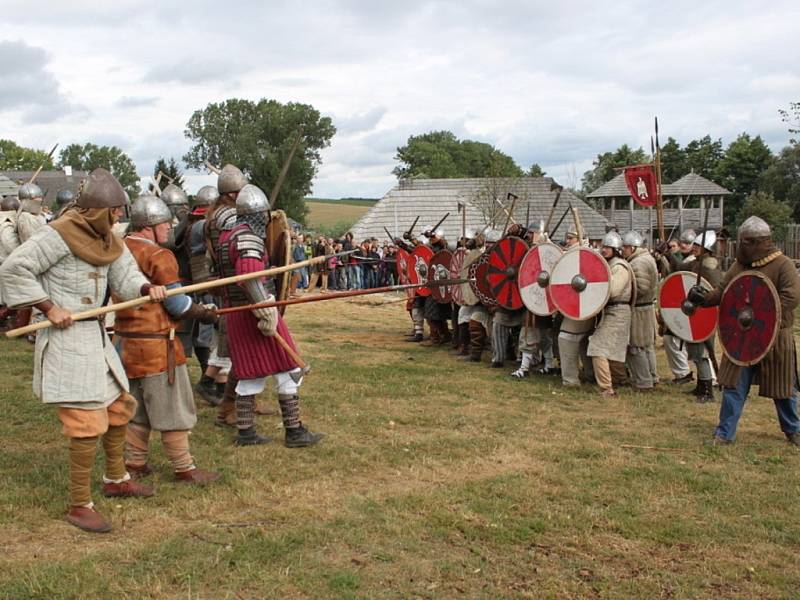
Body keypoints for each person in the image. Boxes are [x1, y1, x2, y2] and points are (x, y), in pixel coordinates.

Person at [0, 168, 166, 533]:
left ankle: (115, 478)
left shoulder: (108, 237)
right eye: (115, 210)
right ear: (97, 210)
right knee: (86, 422)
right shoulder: (57, 234)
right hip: (67, 339)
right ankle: (79, 504)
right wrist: (48, 306)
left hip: (95, 338)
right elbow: (14, 267)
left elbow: (124, 274)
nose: (120, 216)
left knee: (119, 407)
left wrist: (144, 289)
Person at [115, 195, 220, 484]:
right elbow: (177, 305)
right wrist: (205, 313)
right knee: (173, 407)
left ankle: (134, 461)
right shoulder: (159, 255)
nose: (169, 228)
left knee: (137, 406)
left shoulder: (120, 249)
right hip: (156, 346)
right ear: (149, 226)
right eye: (165, 223)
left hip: (124, 344)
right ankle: (184, 467)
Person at [218, 184, 324, 447]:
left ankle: (246, 433)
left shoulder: (229, 236)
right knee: (289, 368)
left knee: (251, 373)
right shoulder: (248, 239)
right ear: (259, 215)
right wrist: (266, 313)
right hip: (255, 314)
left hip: (239, 313)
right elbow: (250, 279)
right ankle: (295, 432)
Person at [688, 216, 800, 446]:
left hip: (775, 336)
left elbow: (790, 296)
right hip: (741, 337)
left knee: (783, 387)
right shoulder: (740, 266)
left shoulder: (783, 265)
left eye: (746, 242)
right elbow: (724, 291)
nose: (741, 247)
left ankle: (793, 430)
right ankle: (724, 433)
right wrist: (704, 298)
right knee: (733, 386)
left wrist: (762, 315)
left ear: (760, 242)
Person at [204, 165, 247, 427]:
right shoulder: (229, 216)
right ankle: (230, 406)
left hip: (226, 282)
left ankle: (238, 402)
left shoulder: (216, 213)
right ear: (232, 194)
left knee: (235, 346)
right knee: (238, 346)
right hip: (234, 285)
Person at [587, 231, 633, 397]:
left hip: (617, 311)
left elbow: (613, 291)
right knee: (611, 350)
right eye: (603, 246)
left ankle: (607, 389)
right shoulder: (609, 264)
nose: (604, 250)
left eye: (608, 247)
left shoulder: (619, 267)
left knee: (598, 347)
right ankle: (621, 378)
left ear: (616, 249)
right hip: (610, 310)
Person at [684, 230, 721, 403]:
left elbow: (714, 291)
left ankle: (707, 390)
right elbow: (680, 273)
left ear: (707, 249)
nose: (694, 248)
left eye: (698, 246)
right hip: (695, 312)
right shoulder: (697, 264)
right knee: (696, 350)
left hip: (705, 313)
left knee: (702, 352)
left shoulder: (709, 267)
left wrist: (702, 295)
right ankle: (701, 384)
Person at [557, 230, 595, 387]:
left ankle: (571, 380)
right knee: (584, 342)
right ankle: (591, 374)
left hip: (583, 305)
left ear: (580, 238)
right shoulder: (571, 254)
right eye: (567, 237)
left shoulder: (587, 254)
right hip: (574, 305)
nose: (567, 241)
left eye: (571, 238)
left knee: (566, 338)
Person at [622, 231, 658, 391]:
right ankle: (652, 376)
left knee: (637, 346)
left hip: (639, 309)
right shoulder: (645, 258)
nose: (623, 250)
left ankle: (643, 381)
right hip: (645, 308)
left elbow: (640, 289)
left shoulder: (639, 263)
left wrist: (623, 292)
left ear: (632, 247)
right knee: (646, 346)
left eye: (625, 247)